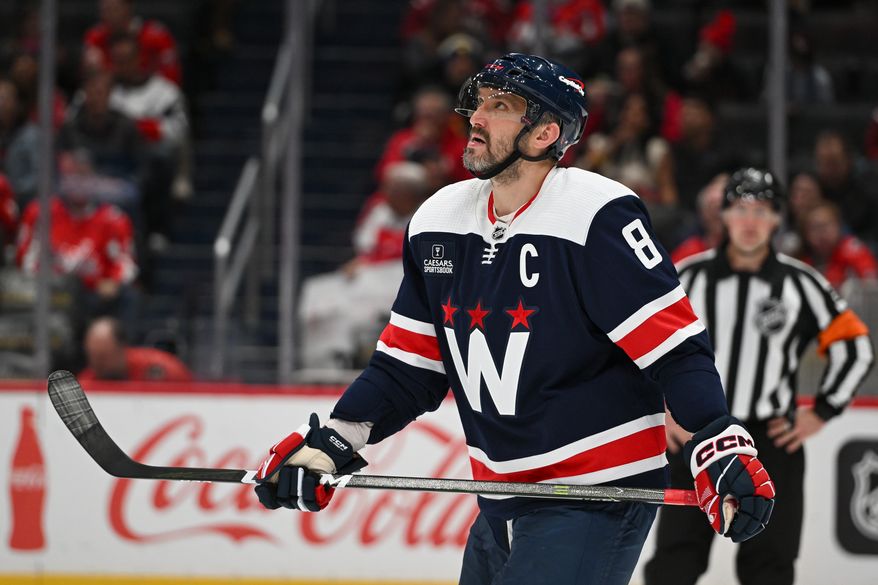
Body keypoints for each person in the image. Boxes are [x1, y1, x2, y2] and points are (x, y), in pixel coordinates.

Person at [252, 54, 775, 585]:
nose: (476, 117)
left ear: (546, 132)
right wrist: (336, 439)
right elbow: (407, 369)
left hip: (594, 493)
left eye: (500, 106)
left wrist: (717, 440)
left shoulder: (597, 216)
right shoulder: (438, 219)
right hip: (499, 496)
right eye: (478, 103)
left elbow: (675, 352)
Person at [645, 168, 874, 585]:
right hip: (700, 436)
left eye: (762, 211)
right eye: (741, 209)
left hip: (770, 442)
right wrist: (664, 412)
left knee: (769, 565)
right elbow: (638, 343)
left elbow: (856, 348)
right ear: (725, 215)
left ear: (776, 221)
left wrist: (820, 411)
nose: (750, 221)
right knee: (674, 562)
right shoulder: (687, 276)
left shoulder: (801, 282)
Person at [79, 316, 193, 381]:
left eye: (103, 357)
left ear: (122, 348)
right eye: (92, 357)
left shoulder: (160, 367)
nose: (98, 364)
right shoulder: (87, 382)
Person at [799, 200, 878, 289]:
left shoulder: (854, 251)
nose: (821, 233)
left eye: (826, 226)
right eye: (814, 228)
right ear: (804, 234)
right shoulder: (800, 260)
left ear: (839, 226)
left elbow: (871, 286)